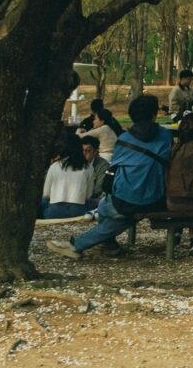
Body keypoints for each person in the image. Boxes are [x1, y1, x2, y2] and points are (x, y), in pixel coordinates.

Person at [72, 96, 174, 256]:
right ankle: (108, 245)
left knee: (107, 209)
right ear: (154, 115)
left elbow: (115, 165)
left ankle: (80, 244)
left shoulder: (124, 139)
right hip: (156, 195)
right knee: (111, 210)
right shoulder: (165, 136)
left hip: (127, 198)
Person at [41, 132, 98, 219]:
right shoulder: (88, 167)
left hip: (54, 212)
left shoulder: (54, 166)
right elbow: (88, 195)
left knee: (42, 202)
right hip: (78, 211)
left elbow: (46, 194)